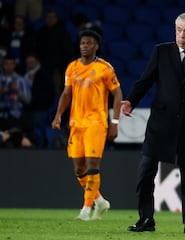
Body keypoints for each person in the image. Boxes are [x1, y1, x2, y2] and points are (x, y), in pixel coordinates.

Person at [121, 12, 185, 234]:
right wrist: (130, 100)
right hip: (160, 124)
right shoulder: (161, 51)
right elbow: (146, 80)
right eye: (178, 29)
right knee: (146, 172)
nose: (182, 35)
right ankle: (146, 219)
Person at [51, 29, 123, 221]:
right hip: (76, 123)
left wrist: (114, 122)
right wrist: (58, 115)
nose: (85, 46)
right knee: (79, 169)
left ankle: (86, 210)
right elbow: (66, 94)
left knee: (92, 165)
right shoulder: (72, 67)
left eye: (89, 43)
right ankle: (100, 201)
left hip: (96, 122)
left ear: (96, 46)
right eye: (83, 43)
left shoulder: (105, 68)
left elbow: (118, 95)